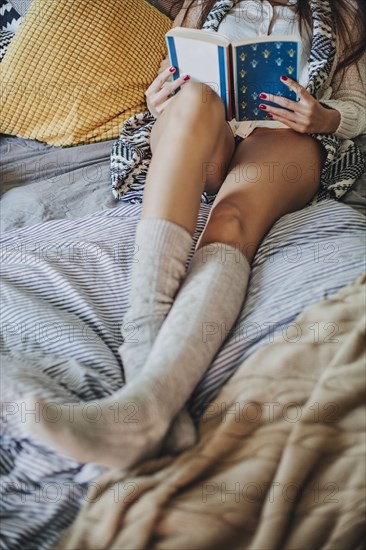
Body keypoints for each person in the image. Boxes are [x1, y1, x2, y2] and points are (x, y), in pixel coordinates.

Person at [26, 0, 366, 469]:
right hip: (208, 133)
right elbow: (173, 75)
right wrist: (157, 101)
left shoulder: (345, 13)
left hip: (281, 139)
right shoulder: (200, 5)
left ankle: (151, 407)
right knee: (193, 99)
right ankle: (143, 354)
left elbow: (358, 107)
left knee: (229, 221)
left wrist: (324, 118)